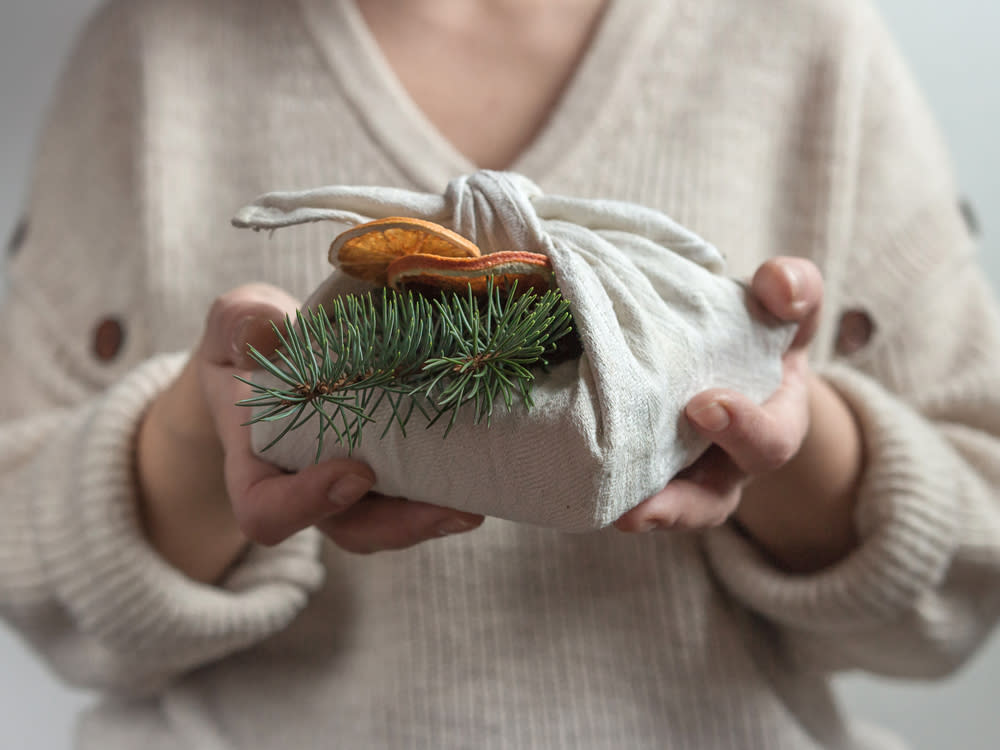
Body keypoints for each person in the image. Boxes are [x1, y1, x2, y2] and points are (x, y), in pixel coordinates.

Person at [2, 0, 998, 747]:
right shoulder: (154, 49)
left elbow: (965, 577)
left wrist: (785, 429)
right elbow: (25, 557)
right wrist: (198, 434)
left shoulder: (805, 40)